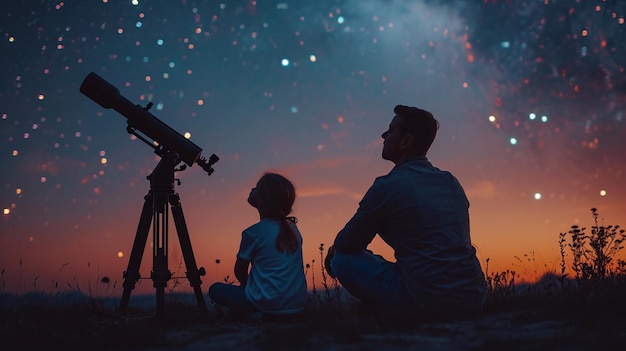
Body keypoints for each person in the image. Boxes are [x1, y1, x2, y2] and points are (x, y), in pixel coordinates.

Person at [324, 105, 486, 320]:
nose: (384, 135)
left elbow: (347, 244)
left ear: (406, 141)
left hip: (426, 299)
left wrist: (334, 253)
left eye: (390, 130)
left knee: (341, 260)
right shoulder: (450, 182)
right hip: (473, 297)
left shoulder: (387, 187)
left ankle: (391, 307)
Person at [209, 172, 307, 319]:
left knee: (215, 290)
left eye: (256, 188)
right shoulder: (293, 229)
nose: (252, 189)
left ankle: (258, 311)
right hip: (296, 305)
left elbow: (240, 271)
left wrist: (250, 288)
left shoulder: (253, 233)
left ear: (263, 199)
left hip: (268, 304)